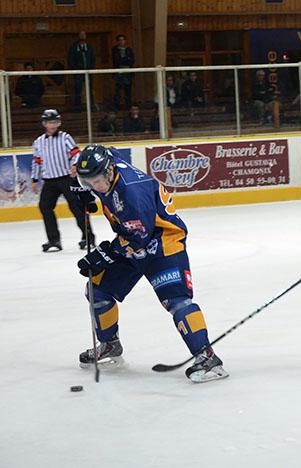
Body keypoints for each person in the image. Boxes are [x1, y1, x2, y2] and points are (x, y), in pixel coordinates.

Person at [72, 145, 228, 383]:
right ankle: (110, 345)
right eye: (89, 182)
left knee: (176, 302)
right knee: (97, 290)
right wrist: (87, 190)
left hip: (162, 243)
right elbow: (108, 151)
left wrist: (104, 254)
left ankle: (208, 359)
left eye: (97, 181)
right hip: (133, 236)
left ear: (110, 170)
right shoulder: (108, 165)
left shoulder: (132, 194)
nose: (95, 186)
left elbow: (138, 237)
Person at [31, 109, 93, 252]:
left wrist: (74, 165)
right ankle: (54, 240)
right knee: (45, 207)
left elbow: (76, 153)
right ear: (44, 124)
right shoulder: (38, 142)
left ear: (58, 123)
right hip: (49, 182)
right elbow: (36, 161)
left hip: (66, 179)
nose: (52, 125)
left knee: (77, 207)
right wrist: (34, 179)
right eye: (49, 122)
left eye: (55, 122)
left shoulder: (65, 137)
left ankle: (88, 237)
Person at [67, 31, 96, 110]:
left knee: (89, 88)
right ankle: (77, 106)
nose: (82, 36)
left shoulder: (89, 47)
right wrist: (76, 69)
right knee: (78, 89)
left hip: (88, 72)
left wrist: (91, 68)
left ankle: (91, 105)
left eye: (84, 34)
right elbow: (70, 60)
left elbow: (93, 58)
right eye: (81, 35)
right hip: (78, 72)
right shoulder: (74, 47)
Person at [111, 34, 135, 110]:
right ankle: (117, 106)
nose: (121, 41)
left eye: (123, 39)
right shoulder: (115, 50)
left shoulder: (129, 49)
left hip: (127, 72)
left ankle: (128, 106)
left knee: (127, 90)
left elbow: (131, 61)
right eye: (120, 40)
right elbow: (116, 60)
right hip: (119, 72)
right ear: (117, 41)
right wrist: (125, 59)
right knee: (118, 90)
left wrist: (124, 60)